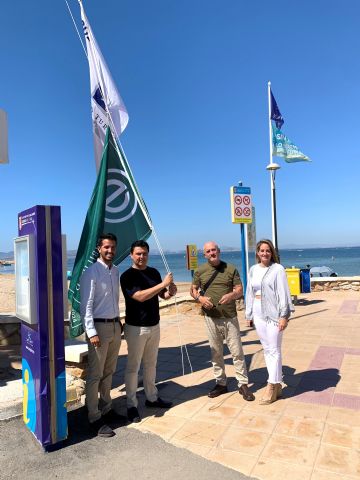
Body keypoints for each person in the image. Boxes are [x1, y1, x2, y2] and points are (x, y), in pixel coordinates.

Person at [120, 240, 177, 423]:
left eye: (144, 253)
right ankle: (131, 405)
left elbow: (162, 296)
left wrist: (170, 292)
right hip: (136, 327)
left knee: (151, 364)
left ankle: (152, 398)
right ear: (131, 255)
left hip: (154, 325)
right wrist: (162, 285)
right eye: (138, 253)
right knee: (133, 367)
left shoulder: (153, 272)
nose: (141, 257)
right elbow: (140, 297)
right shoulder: (127, 276)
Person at [190, 241, 255, 401]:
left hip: (229, 317)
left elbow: (239, 290)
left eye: (214, 250)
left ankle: (242, 384)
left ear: (219, 251)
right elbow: (193, 290)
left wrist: (231, 295)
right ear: (204, 255)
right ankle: (221, 383)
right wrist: (200, 298)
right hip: (210, 317)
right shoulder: (200, 271)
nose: (212, 253)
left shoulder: (231, 269)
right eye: (208, 251)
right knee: (216, 352)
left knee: (237, 352)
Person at [80, 233, 123, 437]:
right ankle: (94, 417)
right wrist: (91, 332)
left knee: (109, 371)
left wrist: (119, 322)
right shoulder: (91, 272)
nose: (110, 251)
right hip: (98, 329)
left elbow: (114, 300)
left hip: (115, 326)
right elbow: (86, 305)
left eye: (113, 247)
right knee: (95, 375)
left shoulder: (115, 271)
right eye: (106, 247)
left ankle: (107, 409)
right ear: (99, 248)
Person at [245, 239, 293, 405]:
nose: (265, 253)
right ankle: (278, 383)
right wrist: (248, 313)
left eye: (268, 250)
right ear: (257, 253)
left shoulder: (278, 270)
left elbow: (284, 294)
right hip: (258, 315)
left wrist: (284, 315)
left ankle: (271, 385)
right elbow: (249, 293)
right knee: (268, 350)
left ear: (272, 253)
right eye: (262, 250)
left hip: (274, 315)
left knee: (274, 350)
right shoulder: (253, 270)